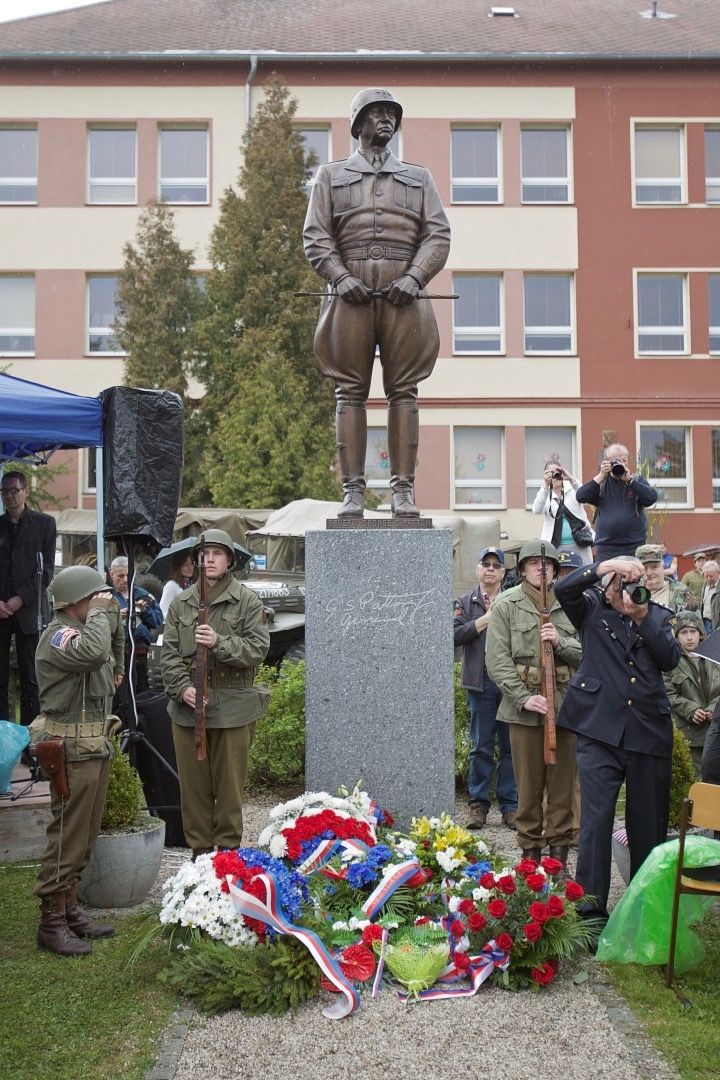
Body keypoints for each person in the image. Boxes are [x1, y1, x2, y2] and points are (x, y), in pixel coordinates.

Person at [303, 88, 451, 518]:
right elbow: (315, 236)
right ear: (358, 123)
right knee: (349, 391)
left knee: (404, 391)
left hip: (405, 292)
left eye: (391, 115)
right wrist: (340, 277)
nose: (386, 120)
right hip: (349, 292)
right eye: (377, 114)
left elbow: (438, 235)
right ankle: (352, 491)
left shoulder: (419, 177)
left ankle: (403, 490)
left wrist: (415, 277)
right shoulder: (331, 176)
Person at [554, 555, 680, 927]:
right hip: (598, 731)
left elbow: (670, 659)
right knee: (595, 822)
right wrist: (605, 564)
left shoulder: (654, 615)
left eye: (631, 585)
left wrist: (641, 616)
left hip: (647, 733)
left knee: (648, 825)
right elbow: (563, 588)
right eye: (619, 585)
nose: (626, 592)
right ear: (607, 588)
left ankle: (644, 912)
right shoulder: (591, 611)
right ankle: (591, 913)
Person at [161, 530, 270, 859]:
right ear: (195, 560)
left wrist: (219, 642)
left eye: (217, 553)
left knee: (229, 790)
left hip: (233, 709)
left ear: (230, 561)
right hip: (188, 711)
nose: (208, 559)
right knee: (192, 791)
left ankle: (228, 856)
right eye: (203, 553)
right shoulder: (181, 603)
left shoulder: (247, 601)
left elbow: (257, 649)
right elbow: (167, 657)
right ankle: (200, 855)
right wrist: (184, 689)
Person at [32, 565, 120, 956]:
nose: (102, 602)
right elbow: (95, 653)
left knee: (83, 836)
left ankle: (69, 911)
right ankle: (50, 923)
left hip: (92, 748)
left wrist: (104, 613)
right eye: (94, 598)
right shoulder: (60, 636)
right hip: (70, 751)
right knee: (67, 833)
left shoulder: (87, 630)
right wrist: (101, 615)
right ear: (74, 603)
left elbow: (108, 653)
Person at [485, 540, 581, 868]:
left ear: (555, 569)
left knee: (562, 791)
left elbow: (590, 655)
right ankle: (529, 863)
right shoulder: (506, 604)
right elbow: (497, 661)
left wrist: (561, 641)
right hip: (523, 712)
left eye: (548, 564)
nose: (541, 568)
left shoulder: (573, 604)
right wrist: (525, 698)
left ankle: (557, 865)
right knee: (527, 792)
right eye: (533, 564)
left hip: (566, 708)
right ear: (523, 568)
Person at [453, 546, 517, 831]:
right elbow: (453, 635)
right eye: (485, 564)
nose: (490, 569)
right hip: (480, 683)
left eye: (496, 565)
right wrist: (483, 621)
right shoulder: (466, 602)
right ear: (478, 570)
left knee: (511, 747)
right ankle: (478, 806)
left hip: (511, 683)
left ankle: (510, 806)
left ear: (503, 572)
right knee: (481, 746)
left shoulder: (514, 600)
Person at [0, 470, 56, 727]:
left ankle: (28, 741)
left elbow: (45, 573)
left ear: (26, 491)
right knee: (1, 680)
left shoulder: (44, 524)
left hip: (28, 610)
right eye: (4, 492)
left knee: (30, 679)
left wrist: (18, 600)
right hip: (1, 610)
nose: (9, 496)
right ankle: (3, 738)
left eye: (14, 490)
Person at [663, 610, 720, 777]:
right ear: (676, 636)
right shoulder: (670, 661)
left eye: (693, 632)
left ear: (700, 634)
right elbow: (669, 694)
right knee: (696, 783)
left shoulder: (713, 658)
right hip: (689, 733)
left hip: (715, 728)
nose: (689, 637)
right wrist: (691, 710)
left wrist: (713, 708)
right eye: (684, 632)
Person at [575, 443, 657, 559]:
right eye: (615, 460)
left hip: (634, 546)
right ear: (607, 462)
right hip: (607, 548)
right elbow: (580, 496)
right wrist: (600, 476)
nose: (620, 463)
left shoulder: (636, 480)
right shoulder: (602, 483)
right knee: (606, 578)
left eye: (623, 460)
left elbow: (651, 499)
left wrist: (630, 481)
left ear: (628, 461)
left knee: (635, 577)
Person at [109, 555, 163, 697]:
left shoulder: (143, 594)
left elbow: (158, 620)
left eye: (128, 575)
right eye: (120, 576)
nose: (125, 580)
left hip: (141, 654)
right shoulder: (107, 597)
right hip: (117, 656)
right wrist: (117, 617)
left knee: (141, 696)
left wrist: (144, 611)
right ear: (111, 574)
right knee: (121, 696)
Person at [531, 461, 594, 565]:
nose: (555, 476)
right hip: (555, 546)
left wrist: (571, 478)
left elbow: (587, 497)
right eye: (550, 473)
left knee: (583, 575)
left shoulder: (572, 489)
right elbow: (536, 509)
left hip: (580, 543)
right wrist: (545, 486)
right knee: (558, 578)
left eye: (557, 472)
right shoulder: (545, 493)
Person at [635, 543, 697, 613]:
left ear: (662, 566)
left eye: (654, 567)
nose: (649, 573)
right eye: (644, 568)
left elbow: (693, 622)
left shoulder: (682, 593)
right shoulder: (632, 593)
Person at [160, 551, 195, 618]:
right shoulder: (172, 586)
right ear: (178, 567)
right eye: (185, 565)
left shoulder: (192, 584)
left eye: (192, 564)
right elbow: (162, 610)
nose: (190, 567)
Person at [700, 559, 720, 635]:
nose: (708, 578)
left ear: (718, 573)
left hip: (717, 624)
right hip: (705, 621)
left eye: (711, 576)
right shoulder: (705, 584)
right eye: (706, 576)